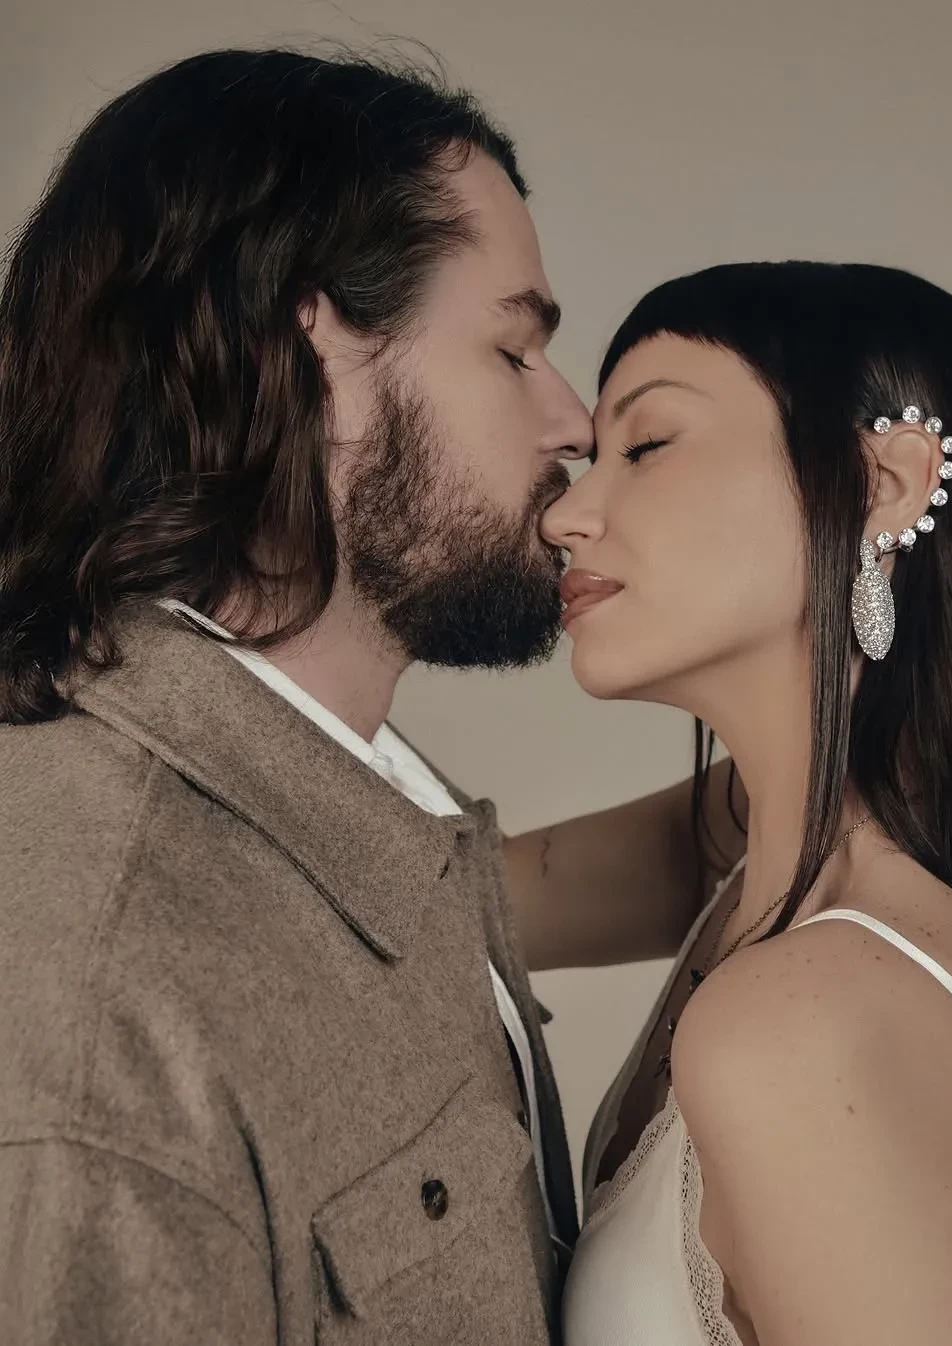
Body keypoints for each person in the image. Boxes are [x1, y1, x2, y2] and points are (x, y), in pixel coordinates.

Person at [0, 49, 746, 1345]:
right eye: (515, 348)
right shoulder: (100, 994)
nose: (574, 420)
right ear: (311, 356)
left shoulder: (344, 806)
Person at [545, 261, 952, 1346]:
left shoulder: (811, 1015)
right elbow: (434, 896)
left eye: (647, 445)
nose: (565, 515)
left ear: (883, 483)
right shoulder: (751, 864)